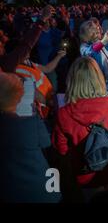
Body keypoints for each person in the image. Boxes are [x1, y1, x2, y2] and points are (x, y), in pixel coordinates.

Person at [52, 57, 108, 200]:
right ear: (98, 78)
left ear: (72, 80)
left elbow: (61, 148)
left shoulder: (64, 113)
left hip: (86, 171)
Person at [0, 72, 61, 203]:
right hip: (43, 188)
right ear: (19, 96)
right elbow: (47, 143)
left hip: (10, 192)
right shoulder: (30, 121)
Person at [0, 5, 53, 73]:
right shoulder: (6, 64)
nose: (2, 44)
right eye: (1, 42)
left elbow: (46, 69)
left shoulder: (26, 62)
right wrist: (42, 18)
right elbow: (26, 45)